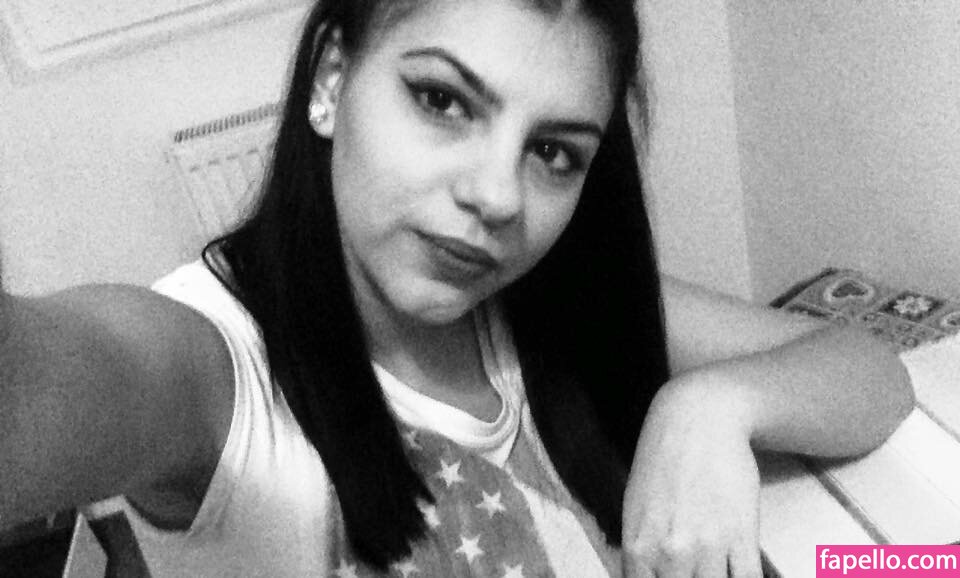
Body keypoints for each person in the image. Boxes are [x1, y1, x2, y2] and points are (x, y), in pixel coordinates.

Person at [0, 0, 913, 576]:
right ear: (331, 78)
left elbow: (873, 371)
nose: (498, 196)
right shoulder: (210, 369)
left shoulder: (539, 305)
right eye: (442, 100)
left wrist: (708, 407)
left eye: (553, 152)